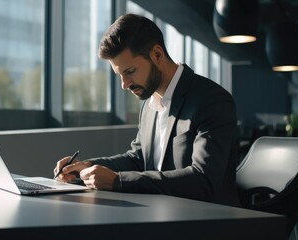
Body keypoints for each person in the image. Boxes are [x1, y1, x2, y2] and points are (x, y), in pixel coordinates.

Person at [54, 13, 239, 206]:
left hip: (209, 221)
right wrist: (89, 167)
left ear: (157, 55)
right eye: (119, 75)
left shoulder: (212, 100)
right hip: (159, 213)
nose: (124, 85)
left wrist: (118, 181)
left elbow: (203, 181)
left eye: (130, 71)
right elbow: (138, 158)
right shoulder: (149, 105)